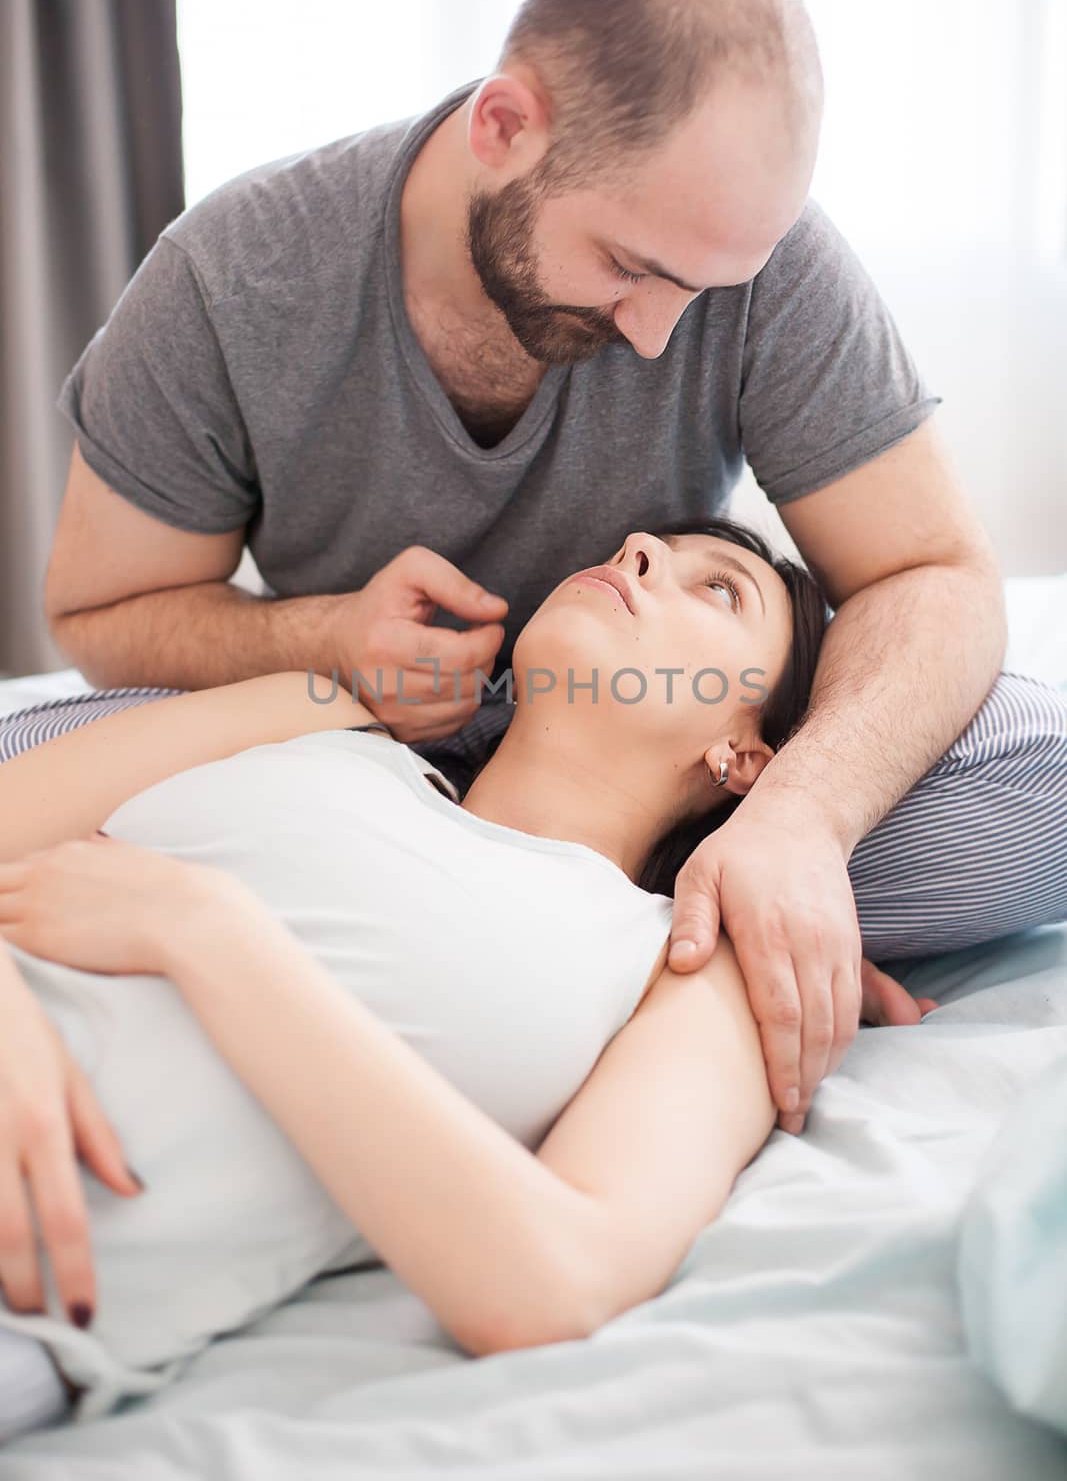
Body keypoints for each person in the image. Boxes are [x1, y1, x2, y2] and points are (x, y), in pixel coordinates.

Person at [40, 0, 1063, 1156]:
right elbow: (100, 613)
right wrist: (329, 639)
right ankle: (652, 914)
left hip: (667, 778)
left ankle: (669, 909)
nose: (655, 337)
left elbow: (931, 572)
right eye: (629, 269)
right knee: (37, 768)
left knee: (1029, 766)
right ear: (504, 127)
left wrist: (795, 821)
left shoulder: (747, 259)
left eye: (702, 292)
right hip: (350, 731)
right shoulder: (229, 281)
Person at [0, 520, 935, 1440]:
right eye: (636, 548)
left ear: (745, 757)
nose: (635, 550)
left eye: (718, 588)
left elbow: (559, 1281)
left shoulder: (686, 964)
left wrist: (206, 931)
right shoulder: (307, 715)